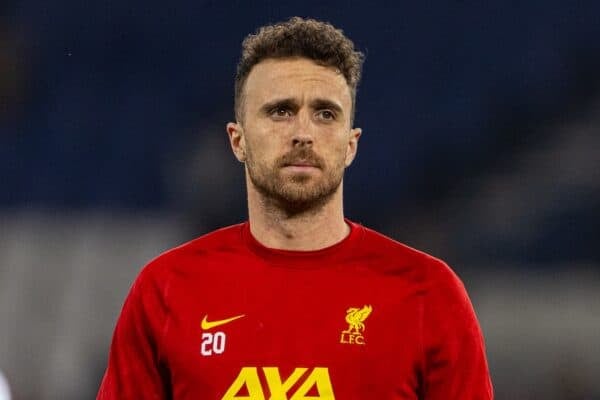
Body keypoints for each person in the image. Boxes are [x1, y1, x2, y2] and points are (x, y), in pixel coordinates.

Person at [97, 17, 493, 399]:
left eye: (325, 113)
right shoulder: (166, 289)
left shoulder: (429, 294)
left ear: (350, 144)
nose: (303, 133)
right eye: (280, 111)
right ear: (238, 140)